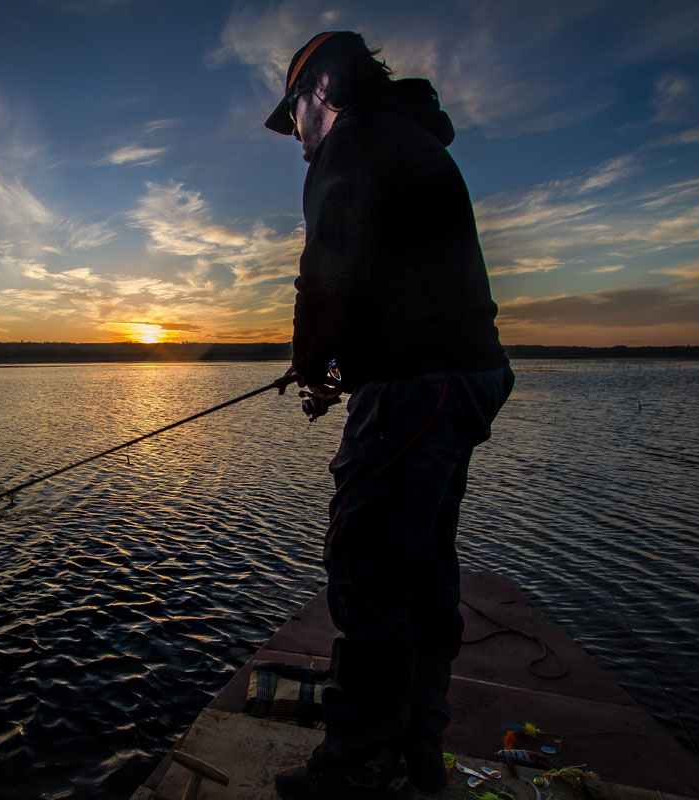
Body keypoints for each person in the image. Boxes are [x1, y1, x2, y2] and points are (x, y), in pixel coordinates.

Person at [266, 31, 514, 800]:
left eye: (296, 113)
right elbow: (381, 272)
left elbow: (329, 268)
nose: (297, 137)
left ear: (323, 92)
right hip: (463, 377)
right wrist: (347, 363)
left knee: (368, 565)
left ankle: (360, 761)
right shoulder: (406, 140)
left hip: (421, 382)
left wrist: (312, 362)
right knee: (424, 567)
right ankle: (416, 747)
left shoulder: (355, 141)